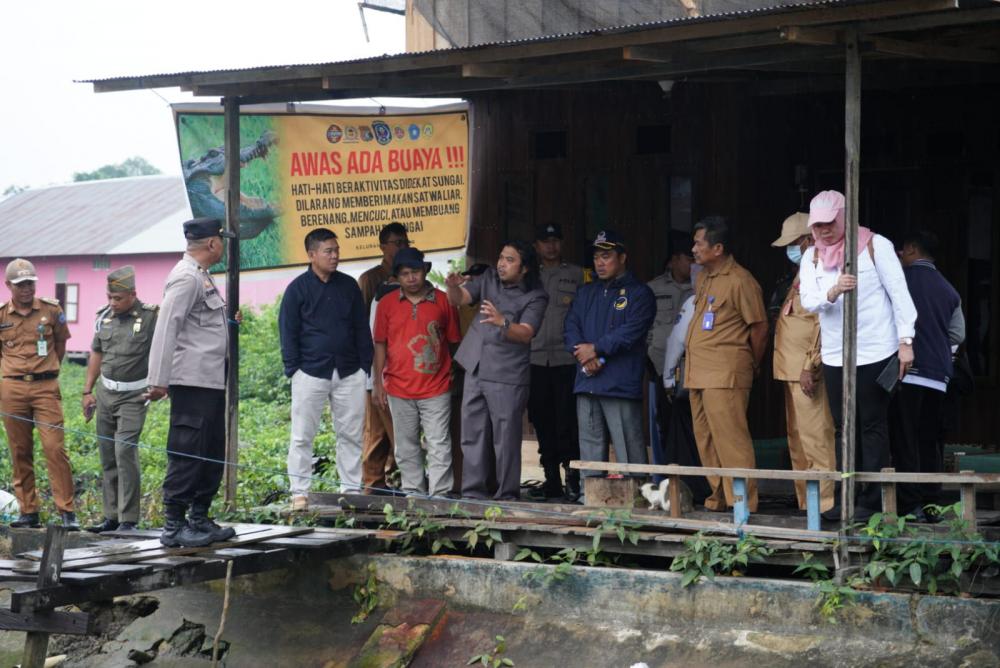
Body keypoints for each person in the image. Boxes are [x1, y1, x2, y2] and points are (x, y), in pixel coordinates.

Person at [798, 190, 917, 522]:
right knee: (841, 426)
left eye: (829, 223)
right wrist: (832, 291)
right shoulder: (811, 257)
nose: (823, 231)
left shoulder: (875, 246)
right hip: (836, 353)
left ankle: (871, 501)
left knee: (872, 424)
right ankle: (845, 496)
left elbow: (899, 295)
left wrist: (905, 340)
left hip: (876, 349)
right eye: (817, 225)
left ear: (844, 217)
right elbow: (808, 299)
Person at [145, 218, 237, 547]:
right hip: (192, 382)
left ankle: (198, 518)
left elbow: (201, 325)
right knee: (187, 451)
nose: (223, 246)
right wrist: (158, 380)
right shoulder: (185, 278)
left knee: (211, 451)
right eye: (220, 241)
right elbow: (167, 327)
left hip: (210, 380)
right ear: (212, 244)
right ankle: (173, 527)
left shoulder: (202, 276)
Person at [279, 227, 373, 508]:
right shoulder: (298, 288)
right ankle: (299, 492)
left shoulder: (348, 285)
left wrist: (364, 365)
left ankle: (351, 491)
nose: (335, 256)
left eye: (337, 250)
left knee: (350, 434)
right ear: (311, 255)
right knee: (302, 434)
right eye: (328, 251)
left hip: (349, 370)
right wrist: (293, 368)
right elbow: (288, 330)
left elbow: (360, 327)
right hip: (309, 371)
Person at [447, 241, 548, 500]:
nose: (502, 263)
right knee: (472, 433)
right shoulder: (488, 278)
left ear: (524, 268)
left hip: (507, 372)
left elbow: (526, 333)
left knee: (505, 438)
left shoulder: (536, 295)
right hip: (476, 364)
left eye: (510, 260)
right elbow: (461, 299)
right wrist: (452, 286)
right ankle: (472, 493)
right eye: (501, 257)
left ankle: (507, 494)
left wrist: (503, 322)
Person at [685, 216, 768, 512]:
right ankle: (718, 497)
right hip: (698, 372)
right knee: (706, 440)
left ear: (717, 248)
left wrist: (751, 364)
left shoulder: (741, 281)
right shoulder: (703, 277)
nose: (693, 248)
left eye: (699, 243)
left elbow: (759, 328)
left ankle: (743, 504)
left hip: (726, 373)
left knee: (732, 441)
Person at [564, 230, 655, 487]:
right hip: (587, 380)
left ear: (622, 257)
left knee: (629, 450)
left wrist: (596, 349)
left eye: (607, 256)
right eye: (596, 257)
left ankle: (636, 498)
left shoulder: (639, 293)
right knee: (590, 452)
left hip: (618, 383)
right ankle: (590, 499)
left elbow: (629, 333)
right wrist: (583, 354)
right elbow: (570, 327)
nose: (600, 263)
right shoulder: (586, 292)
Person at [372, 247, 461, 497]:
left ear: (425, 272)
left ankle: (440, 498)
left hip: (436, 386)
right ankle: (414, 496)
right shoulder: (386, 303)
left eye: (416, 272)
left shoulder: (444, 300)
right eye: (405, 273)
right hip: (398, 386)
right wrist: (378, 383)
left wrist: (451, 373)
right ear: (397, 277)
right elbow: (380, 343)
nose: (411, 278)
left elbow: (454, 341)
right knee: (406, 446)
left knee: (439, 443)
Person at [890, 230, 965, 517]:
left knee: (905, 439)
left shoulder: (901, 282)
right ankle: (932, 501)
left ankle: (910, 505)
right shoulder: (949, 290)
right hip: (938, 376)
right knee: (930, 439)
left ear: (910, 248)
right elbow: (958, 333)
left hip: (907, 371)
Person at [0, 258, 78, 529]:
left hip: (45, 386)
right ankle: (28, 511)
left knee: (54, 448)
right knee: (20, 450)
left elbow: (60, 345)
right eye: (20, 285)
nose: (26, 289)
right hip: (12, 387)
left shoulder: (51, 310)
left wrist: (48, 371)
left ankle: (67, 511)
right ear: (9, 285)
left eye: (30, 283)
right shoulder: (1, 315)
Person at [82, 266, 159, 532]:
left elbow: (167, 347)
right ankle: (110, 516)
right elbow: (96, 353)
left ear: (133, 295)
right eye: (109, 297)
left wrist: (163, 384)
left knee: (124, 450)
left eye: (118, 298)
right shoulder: (104, 318)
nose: (112, 303)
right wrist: (87, 391)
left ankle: (128, 519)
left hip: (134, 395)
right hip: (105, 394)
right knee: (107, 455)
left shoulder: (151, 317)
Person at [770, 214, 836, 513]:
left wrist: (812, 364)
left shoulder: (822, 270)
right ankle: (805, 503)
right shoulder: (803, 270)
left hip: (806, 371)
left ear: (809, 241)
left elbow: (824, 324)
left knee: (815, 440)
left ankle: (824, 505)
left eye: (794, 243)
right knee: (797, 441)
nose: (791, 250)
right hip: (789, 369)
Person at [528, 223, 586, 501]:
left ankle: (573, 480)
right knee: (542, 420)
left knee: (568, 422)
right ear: (536, 246)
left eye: (555, 240)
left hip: (566, 360)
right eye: (544, 241)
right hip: (535, 360)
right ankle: (551, 479)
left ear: (561, 244)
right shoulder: (528, 275)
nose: (550, 246)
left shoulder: (576, 275)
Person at [358, 222, 409, 494]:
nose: (402, 247)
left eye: (405, 242)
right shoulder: (370, 280)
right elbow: (364, 325)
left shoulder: (411, 277)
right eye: (396, 242)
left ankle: (383, 481)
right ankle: (373, 484)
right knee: (378, 429)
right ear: (383, 246)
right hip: (376, 365)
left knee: (394, 428)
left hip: (403, 367)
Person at [646, 232, 695, 482]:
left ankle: (693, 484)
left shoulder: (702, 286)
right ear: (675, 260)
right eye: (688, 257)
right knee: (662, 426)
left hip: (694, 371)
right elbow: (645, 328)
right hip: (660, 368)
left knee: (694, 430)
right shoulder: (654, 288)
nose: (693, 262)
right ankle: (663, 481)